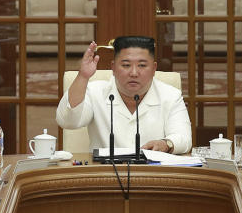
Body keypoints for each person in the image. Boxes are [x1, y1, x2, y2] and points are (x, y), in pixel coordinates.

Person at [56, 37, 192, 154]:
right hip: (104, 177)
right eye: (126, 65)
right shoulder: (95, 92)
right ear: (113, 68)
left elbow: (184, 138)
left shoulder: (170, 95)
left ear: (154, 68)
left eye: (142, 65)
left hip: (152, 176)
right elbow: (68, 121)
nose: (133, 73)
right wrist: (83, 76)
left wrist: (166, 144)